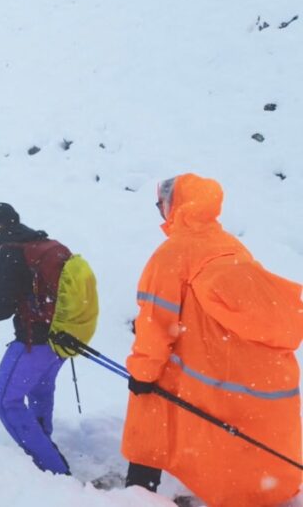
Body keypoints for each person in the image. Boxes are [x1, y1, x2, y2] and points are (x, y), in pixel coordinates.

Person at [122, 174, 303, 506]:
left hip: (200, 368)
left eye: (161, 205)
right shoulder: (231, 245)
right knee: (235, 435)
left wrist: (142, 373)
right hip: (244, 370)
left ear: (172, 206)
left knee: (149, 412)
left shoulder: (171, 255)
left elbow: (155, 325)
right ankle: (260, 490)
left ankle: (139, 491)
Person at [0, 202, 70, 475]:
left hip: (34, 341)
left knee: (5, 399)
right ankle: (44, 448)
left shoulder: (10, 253)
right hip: (61, 340)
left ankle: (52, 469)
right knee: (40, 391)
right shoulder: (43, 244)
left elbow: (3, 307)